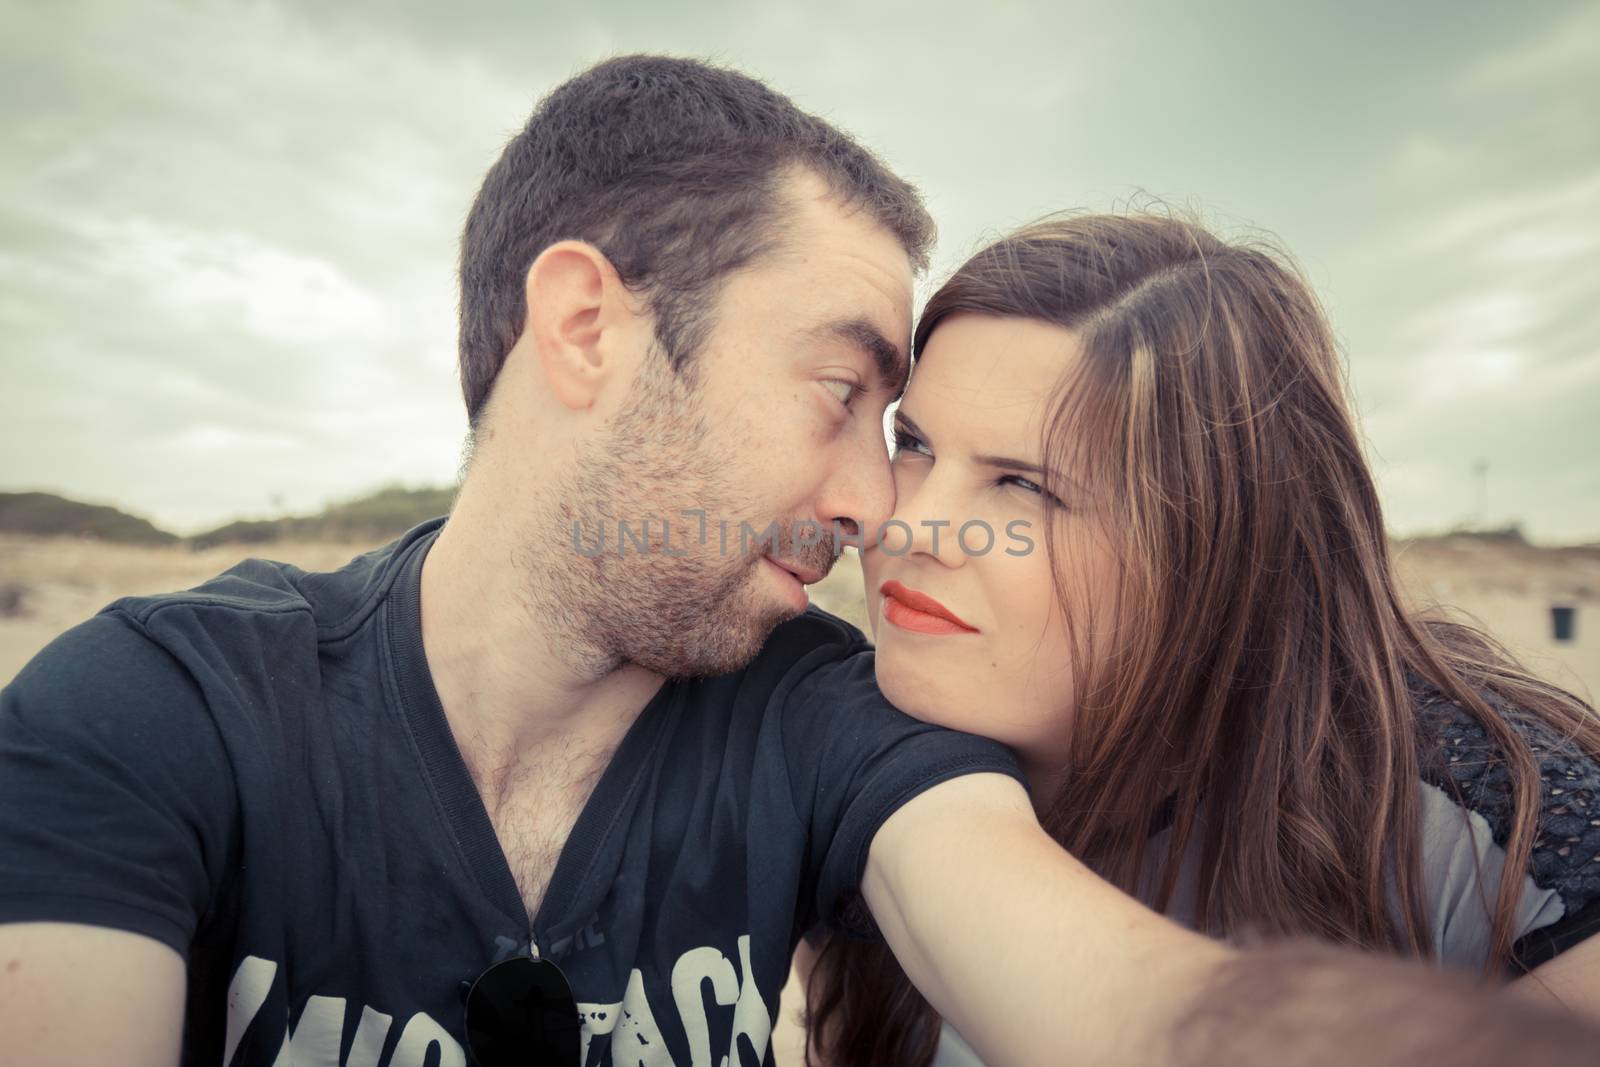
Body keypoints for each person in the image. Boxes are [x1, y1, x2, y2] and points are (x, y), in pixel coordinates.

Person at [1, 54, 1593, 1067]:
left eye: (1019, 478)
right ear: (587, 329)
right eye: (868, 409)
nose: (884, 507)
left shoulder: (835, 723)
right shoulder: (157, 706)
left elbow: (1144, 1014)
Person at [796, 212, 1600, 1067]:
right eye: (913, 444)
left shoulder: (1490, 824)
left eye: (1023, 486)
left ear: (1217, 545)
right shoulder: (823, 757)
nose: (908, 523)